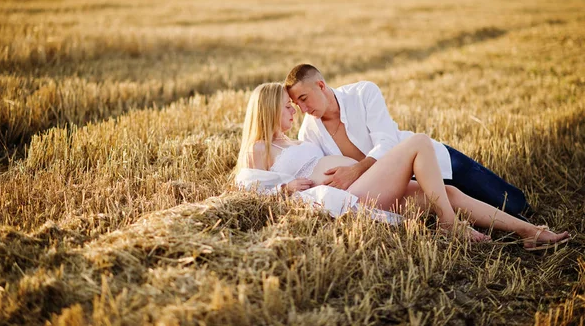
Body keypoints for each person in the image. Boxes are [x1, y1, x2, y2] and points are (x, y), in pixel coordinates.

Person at [234, 82, 570, 249]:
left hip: (363, 184)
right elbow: (244, 186)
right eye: (287, 107)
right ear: (267, 109)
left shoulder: (298, 137)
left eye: (295, 105)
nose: (294, 111)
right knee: (419, 142)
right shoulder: (260, 147)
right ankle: (450, 225)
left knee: (447, 191)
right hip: (349, 194)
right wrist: (284, 188)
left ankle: (531, 233)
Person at [285, 64, 533, 221]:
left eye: (305, 98)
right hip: (404, 183)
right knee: (467, 209)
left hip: (434, 160)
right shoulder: (309, 131)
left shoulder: (363, 93)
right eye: (298, 104)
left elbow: (387, 141)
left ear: (321, 85)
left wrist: (356, 170)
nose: (304, 109)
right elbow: (315, 170)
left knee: (513, 204)